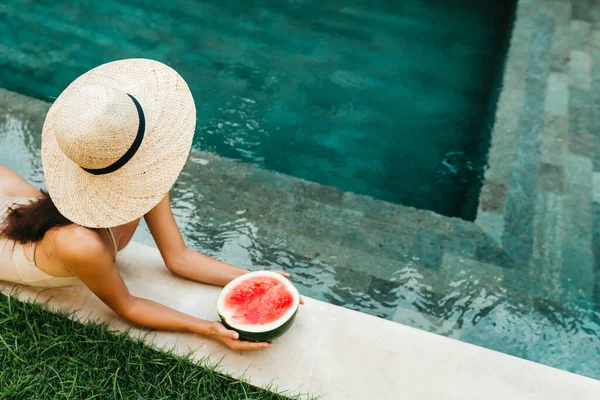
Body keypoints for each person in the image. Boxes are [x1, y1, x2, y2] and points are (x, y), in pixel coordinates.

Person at [0, 59, 299, 351]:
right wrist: (207, 328)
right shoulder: (81, 244)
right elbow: (128, 305)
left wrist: (254, 278)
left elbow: (178, 257)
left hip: (21, 206)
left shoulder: (143, 176)